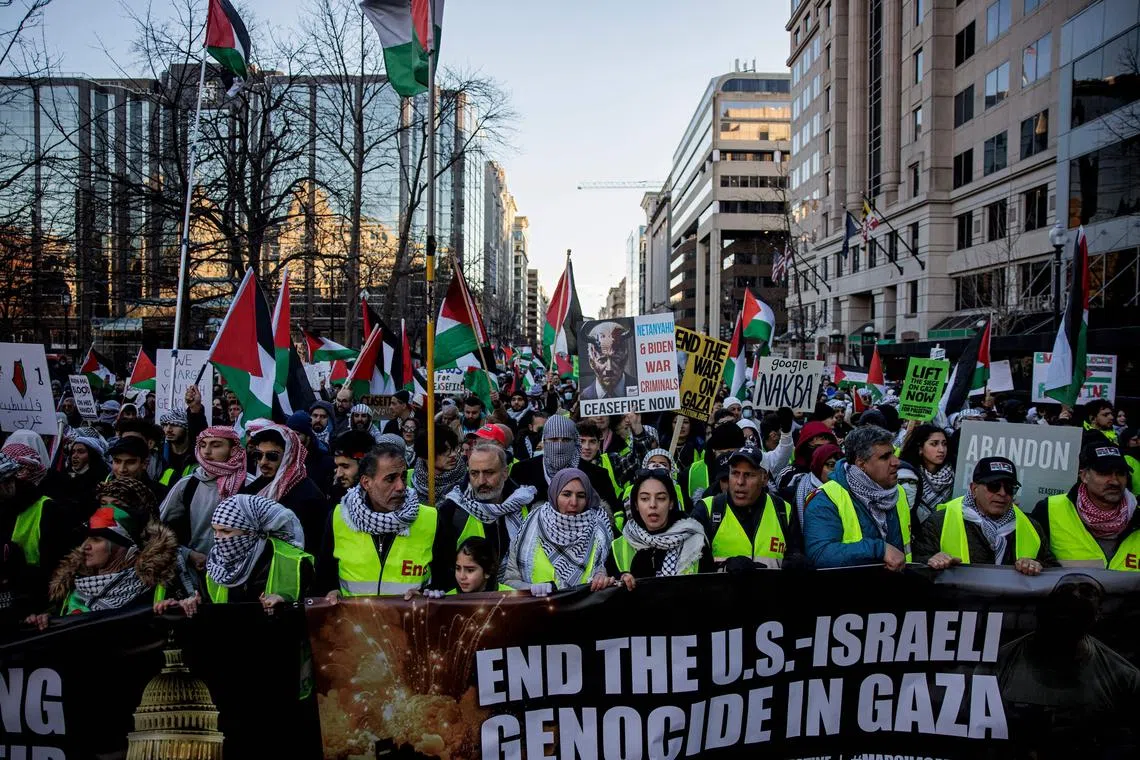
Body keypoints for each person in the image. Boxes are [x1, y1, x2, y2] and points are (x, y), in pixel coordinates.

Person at [33, 479, 190, 623]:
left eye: (96, 539)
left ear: (125, 546)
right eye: (103, 504)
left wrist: (175, 609)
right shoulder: (72, 581)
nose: (84, 546)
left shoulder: (158, 584)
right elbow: (60, 618)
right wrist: (46, 620)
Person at [315, 442, 441, 598]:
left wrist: (426, 595)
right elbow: (323, 577)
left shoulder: (430, 519)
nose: (401, 486)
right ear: (366, 483)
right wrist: (331, 592)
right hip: (355, 614)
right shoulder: (340, 517)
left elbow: (448, 582)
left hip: (412, 613)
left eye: (403, 477)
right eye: (390, 479)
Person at [158, 494, 312, 614]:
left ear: (251, 532)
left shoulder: (294, 561)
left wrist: (285, 604)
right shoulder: (215, 563)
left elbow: (313, 606)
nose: (218, 538)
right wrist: (191, 604)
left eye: (226, 531)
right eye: (215, 531)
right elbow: (209, 606)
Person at [916, 457, 1057, 574]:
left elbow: (1053, 569)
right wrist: (932, 560)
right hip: (958, 599)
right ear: (974, 489)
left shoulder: (1032, 527)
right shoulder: (940, 521)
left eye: (1009, 488)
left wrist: (1036, 565)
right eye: (994, 486)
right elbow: (916, 563)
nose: (1002, 493)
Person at [803, 425, 911, 570]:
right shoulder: (826, 498)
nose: (896, 462)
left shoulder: (899, 492)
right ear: (861, 464)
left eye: (893, 454)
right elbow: (820, 554)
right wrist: (879, 549)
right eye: (885, 457)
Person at [432, 443, 536, 591]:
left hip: (516, 598)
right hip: (466, 601)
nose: (481, 481)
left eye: (489, 473)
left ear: (505, 473)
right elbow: (442, 568)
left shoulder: (525, 505)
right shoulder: (452, 510)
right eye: (474, 473)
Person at [503, 467, 615, 595]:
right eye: (566, 494)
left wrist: (602, 577)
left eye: (581, 496)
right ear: (554, 495)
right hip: (537, 606)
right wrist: (530, 588)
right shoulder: (530, 526)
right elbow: (510, 580)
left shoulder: (601, 531)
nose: (574, 502)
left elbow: (611, 574)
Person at [159, 426, 253, 573]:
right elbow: (159, 527)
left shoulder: (250, 485)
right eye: (202, 445)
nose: (206, 451)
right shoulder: (188, 484)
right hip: (195, 572)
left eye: (216, 445)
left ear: (233, 450)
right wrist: (188, 554)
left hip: (242, 571)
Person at [1034, 442, 1140, 570]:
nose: (1115, 481)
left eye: (1121, 473)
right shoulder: (1049, 510)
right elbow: (1032, 561)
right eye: (1104, 473)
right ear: (1084, 476)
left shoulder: (1137, 515)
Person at [692, 447, 802, 568]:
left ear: (764, 478)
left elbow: (795, 556)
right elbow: (689, 568)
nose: (740, 482)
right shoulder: (707, 510)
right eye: (735, 473)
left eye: (748, 475)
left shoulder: (784, 511)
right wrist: (725, 568)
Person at [607, 469, 711, 583]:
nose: (653, 505)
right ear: (636, 504)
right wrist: (621, 578)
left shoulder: (696, 542)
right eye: (644, 499)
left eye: (661, 498)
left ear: (671, 503)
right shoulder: (618, 547)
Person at [239, 425, 327, 557]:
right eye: (258, 455)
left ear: (289, 456)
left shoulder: (310, 497)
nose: (262, 462)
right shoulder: (253, 489)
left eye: (272, 456)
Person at [510, 414, 621, 512]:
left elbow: (613, 513)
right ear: (544, 441)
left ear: (574, 442)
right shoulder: (521, 471)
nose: (559, 446)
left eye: (566, 440)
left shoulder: (598, 475)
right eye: (554, 440)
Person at [897, 424, 955, 525]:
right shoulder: (908, 476)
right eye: (934, 444)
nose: (941, 449)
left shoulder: (955, 473)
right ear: (920, 449)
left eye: (944, 444)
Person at [774, 420, 839, 504]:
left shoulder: (839, 471)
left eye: (827, 439)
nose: (821, 452)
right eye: (817, 446)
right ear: (804, 445)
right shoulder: (789, 474)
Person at [681, 422, 745, 501]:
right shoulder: (691, 472)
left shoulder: (751, 470)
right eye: (723, 454)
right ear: (713, 451)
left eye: (732, 453)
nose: (728, 458)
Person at [410, 424, 467, 504]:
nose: (453, 454)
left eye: (454, 448)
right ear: (425, 455)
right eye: (445, 450)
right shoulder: (410, 481)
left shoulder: (467, 478)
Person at [793, 443, 841, 528]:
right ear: (818, 466)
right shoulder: (807, 492)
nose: (837, 470)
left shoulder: (847, 487)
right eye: (831, 465)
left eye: (840, 465)